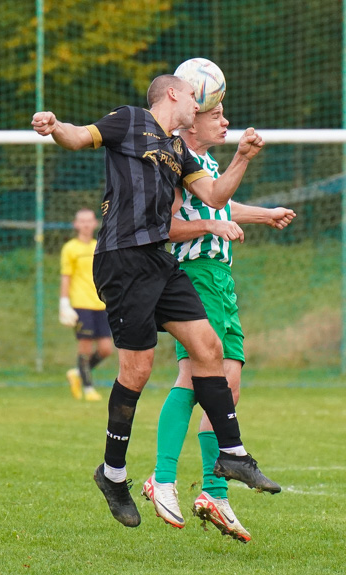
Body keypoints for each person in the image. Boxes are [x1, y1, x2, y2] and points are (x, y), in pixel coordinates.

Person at [31, 74, 281, 529]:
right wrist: (54, 125)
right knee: (137, 371)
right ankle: (113, 474)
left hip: (159, 261)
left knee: (208, 348)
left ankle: (232, 454)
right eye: (192, 95)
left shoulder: (181, 151)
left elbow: (216, 196)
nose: (197, 103)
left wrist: (242, 158)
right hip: (121, 258)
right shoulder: (130, 120)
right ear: (173, 94)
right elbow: (79, 137)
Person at [140, 102, 295, 542]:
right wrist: (240, 163)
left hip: (221, 278)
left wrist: (264, 214)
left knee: (230, 381)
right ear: (192, 119)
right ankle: (161, 476)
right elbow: (168, 225)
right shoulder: (173, 159)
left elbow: (220, 204)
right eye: (217, 114)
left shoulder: (204, 162)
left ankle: (213, 492)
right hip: (195, 276)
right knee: (194, 374)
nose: (225, 122)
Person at [59, 208, 112, 402]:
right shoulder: (70, 248)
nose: (86, 224)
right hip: (81, 304)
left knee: (106, 348)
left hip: (101, 304)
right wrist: (64, 303)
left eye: (89, 221)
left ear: (95, 223)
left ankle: (77, 372)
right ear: (76, 224)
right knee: (85, 348)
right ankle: (88, 388)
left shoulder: (98, 246)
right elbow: (66, 277)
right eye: (82, 221)